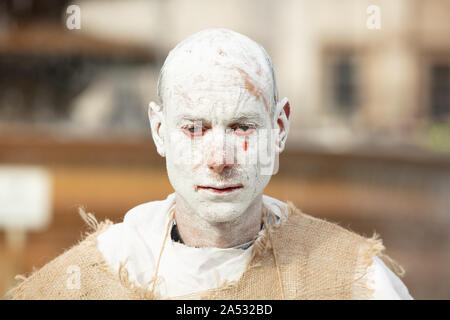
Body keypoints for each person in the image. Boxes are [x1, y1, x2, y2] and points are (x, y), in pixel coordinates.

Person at [8, 28, 412, 300]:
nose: (219, 160)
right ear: (159, 130)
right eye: (194, 129)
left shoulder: (352, 282)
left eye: (241, 127)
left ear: (280, 127)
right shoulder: (93, 278)